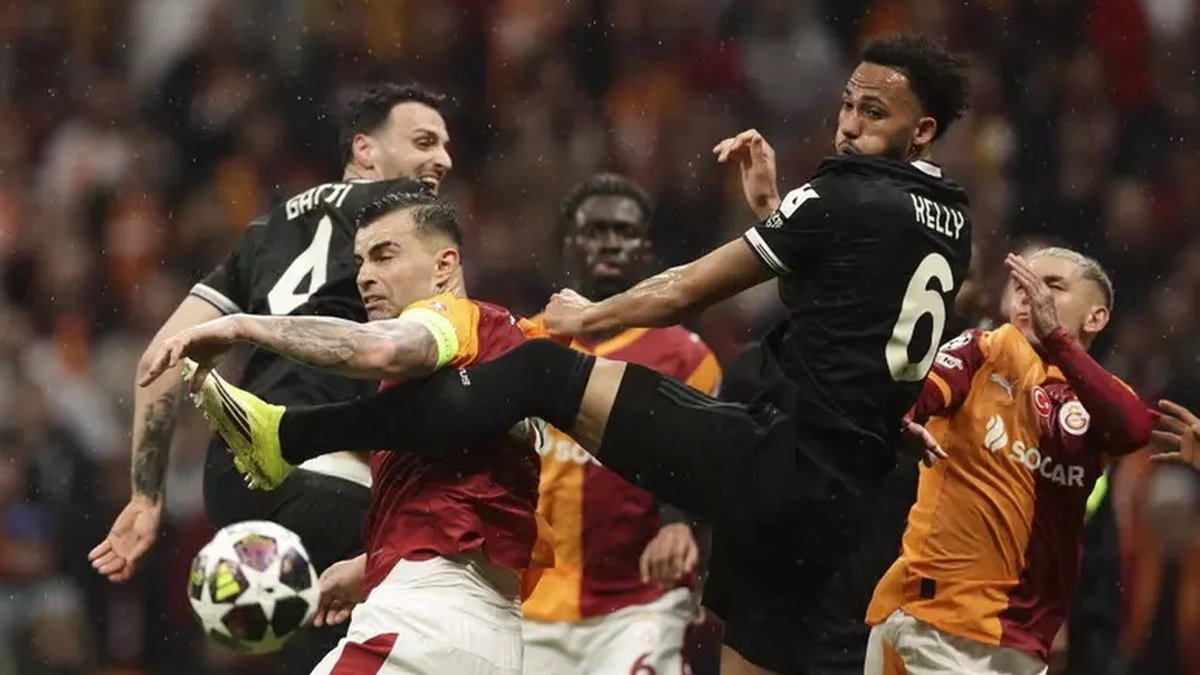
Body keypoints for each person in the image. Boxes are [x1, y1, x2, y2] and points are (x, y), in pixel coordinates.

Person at [170, 34, 973, 674]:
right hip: (839, 502)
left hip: (755, 483)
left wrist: (592, 317)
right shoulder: (951, 222)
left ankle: (291, 432)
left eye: (873, 111)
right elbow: (847, 323)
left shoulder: (838, 195)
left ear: (923, 130)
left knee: (540, 372)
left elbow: (688, 286)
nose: (849, 124)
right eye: (847, 104)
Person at [88, 82, 453, 671]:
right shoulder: (408, 216)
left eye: (445, 145)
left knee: (306, 650)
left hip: (235, 481)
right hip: (333, 480)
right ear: (365, 149)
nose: (443, 159)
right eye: (424, 142)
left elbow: (159, 357)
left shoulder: (267, 230)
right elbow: (432, 346)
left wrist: (145, 496)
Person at [149, 191, 554, 674]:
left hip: (424, 622)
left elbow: (382, 349)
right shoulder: (488, 365)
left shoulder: (463, 321)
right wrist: (371, 565)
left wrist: (242, 327)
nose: (364, 275)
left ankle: (280, 433)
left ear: (444, 266)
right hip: (486, 633)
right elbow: (470, 506)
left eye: (385, 255)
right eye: (359, 261)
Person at [863, 247, 1154, 675]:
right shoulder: (983, 350)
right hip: (937, 625)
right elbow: (916, 394)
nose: (1029, 295)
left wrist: (1058, 341)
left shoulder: (1103, 400)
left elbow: (1135, 429)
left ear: (1095, 317)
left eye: (1051, 286)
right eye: (1020, 285)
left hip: (1022, 643)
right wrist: (902, 419)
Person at [520, 174, 720, 675]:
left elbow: (707, 459)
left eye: (625, 232)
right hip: (529, 603)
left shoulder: (685, 356)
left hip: (639, 603)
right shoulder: (523, 345)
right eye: (595, 231)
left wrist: (679, 524)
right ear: (568, 244)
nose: (610, 243)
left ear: (646, 247)